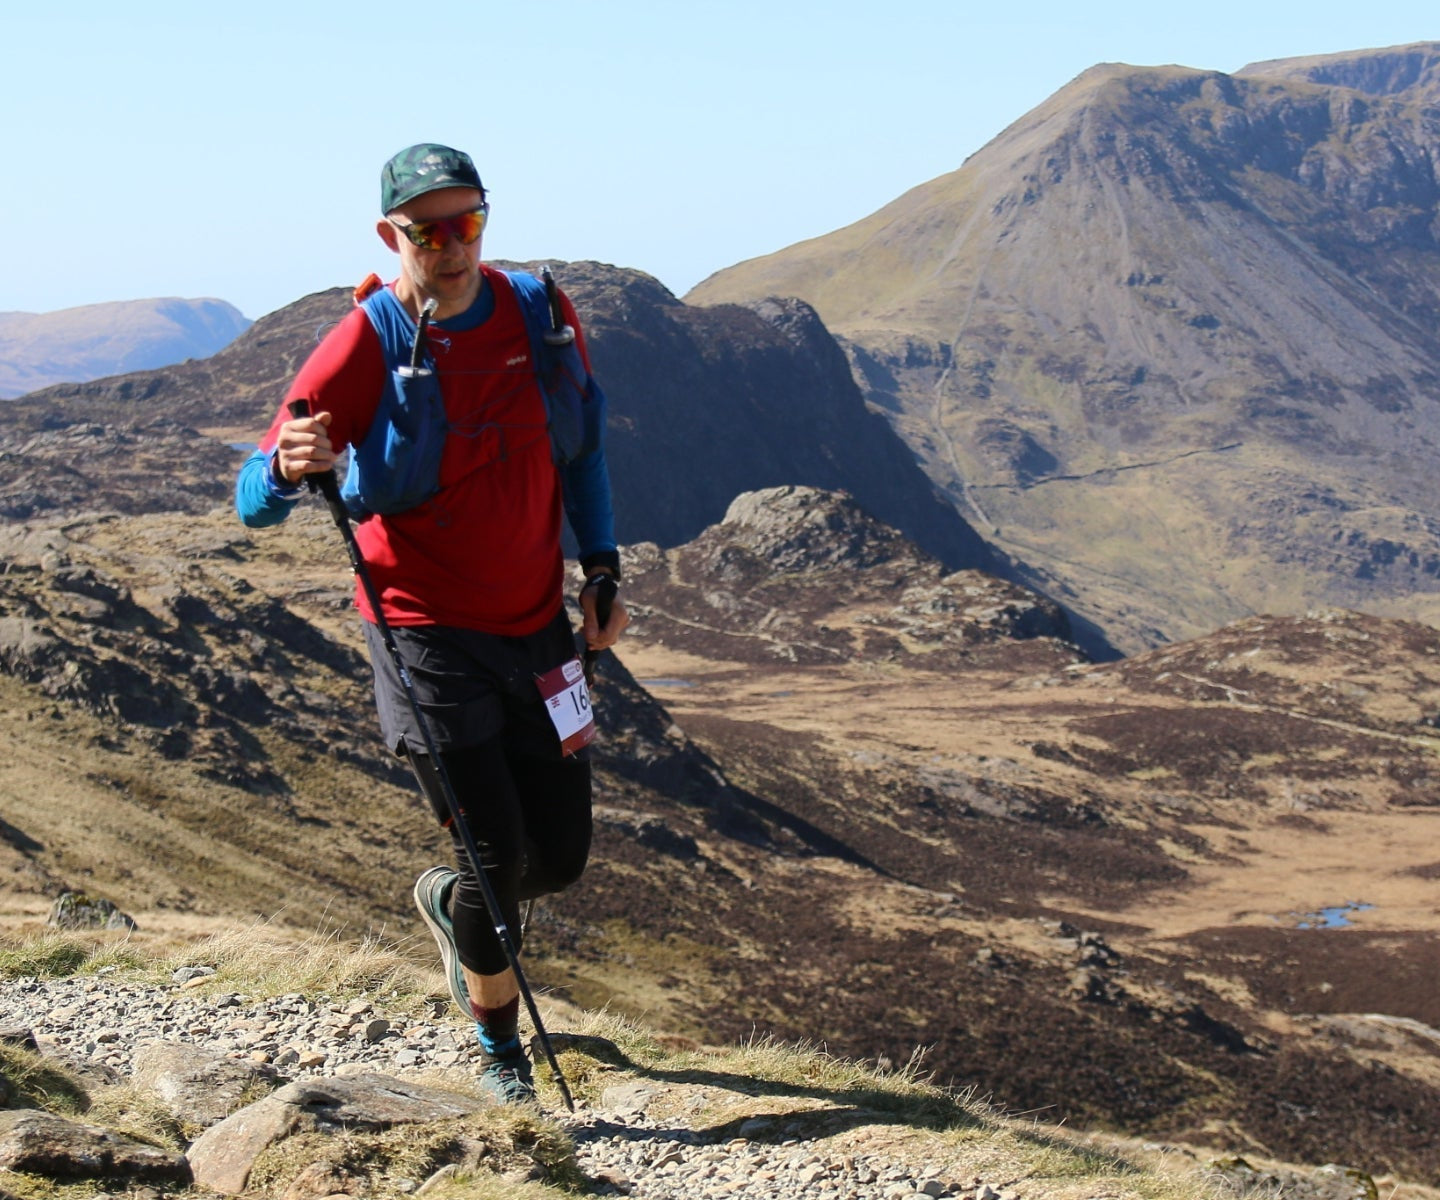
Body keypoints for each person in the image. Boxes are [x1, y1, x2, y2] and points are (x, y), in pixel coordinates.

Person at [235, 143, 627, 1105]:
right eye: (427, 231)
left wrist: (604, 565)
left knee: (561, 857)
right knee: (493, 853)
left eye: (468, 223)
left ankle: (456, 914)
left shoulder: (539, 315)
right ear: (390, 236)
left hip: (535, 626)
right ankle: (501, 1055)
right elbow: (252, 495)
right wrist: (285, 469)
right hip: (423, 634)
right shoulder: (366, 338)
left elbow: (583, 452)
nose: (451, 248)